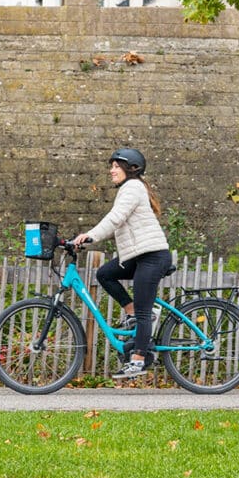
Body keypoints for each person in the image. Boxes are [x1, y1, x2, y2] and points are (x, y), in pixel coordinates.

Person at [71, 148, 173, 379]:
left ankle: (138, 360)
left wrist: (90, 236)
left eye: (117, 166)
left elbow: (115, 218)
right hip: (138, 256)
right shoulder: (131, 189)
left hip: (152, 256)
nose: (112, 170)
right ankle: (131, 311)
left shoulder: (133, 187)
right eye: (112, 166)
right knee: (105, 274)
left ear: (132, 169)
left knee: (145, 312)